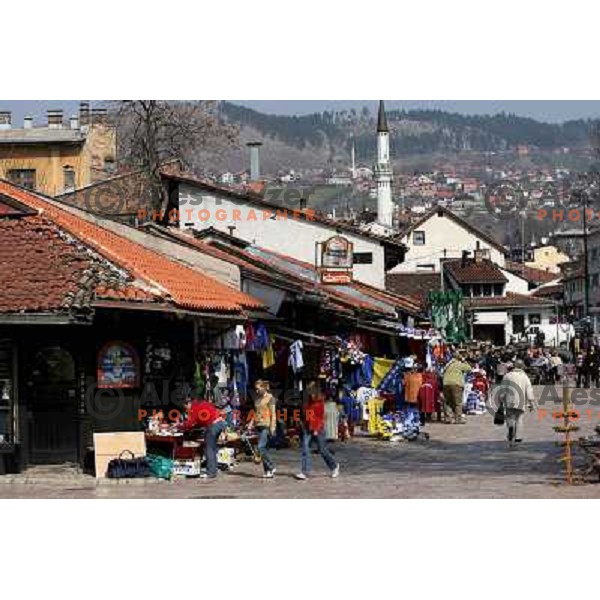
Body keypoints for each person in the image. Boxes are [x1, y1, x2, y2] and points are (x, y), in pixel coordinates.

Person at [295, 381, 340, 480]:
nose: (308, 392)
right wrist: (302, 422)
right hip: (307, 428)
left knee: (322, 450)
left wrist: (315, 429)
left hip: (317, 428)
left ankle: (334, 466)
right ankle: (305, 472)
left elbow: (319, 417)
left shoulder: (319, 402)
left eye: (309, 390)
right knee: (305, 447)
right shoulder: (307, 401)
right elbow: (306, 414)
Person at [182, 398, 227, 479]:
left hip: (213, 425)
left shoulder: (194, 407)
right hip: (220, 423)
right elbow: (200, 420)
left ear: (188, 404)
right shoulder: (201, 403)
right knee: (213, 448)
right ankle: (213, 469)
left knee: (208, 448)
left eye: (186, 408)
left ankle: (211, 473)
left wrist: (180, 426)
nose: (186, 410)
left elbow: (191, 422)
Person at [499, 359, 536, 447]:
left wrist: (501, 399)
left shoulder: (507, 376)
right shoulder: (524, 377)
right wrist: (531, 402)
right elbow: (529, 390)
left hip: (509, 401)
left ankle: (511, 427)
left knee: (510, 417)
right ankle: (518, 437)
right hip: (521, 401)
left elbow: (503, 390)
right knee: (519, 419)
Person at [249, 380, 277, 478]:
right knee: (264, 449)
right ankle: (268, 471)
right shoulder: (257, 399)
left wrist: (272, 427)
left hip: (266, 425)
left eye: (258, 389)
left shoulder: (270, 398)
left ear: (263, 387)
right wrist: (251, 424)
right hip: (258, 425)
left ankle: (271, 466)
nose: (256, 391)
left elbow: (273, 414)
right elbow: (255, 413)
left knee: (260, 447)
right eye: (255, 389)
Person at [442, 352, 471, 424]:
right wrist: (464, 360)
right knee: (458, 402)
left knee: (448, 402)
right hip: (456, 384)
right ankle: (458, 419)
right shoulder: (459, 364)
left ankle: (448, 418)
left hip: (446, 383)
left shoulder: (448, 364)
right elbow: (469, 369)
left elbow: (443, 371)